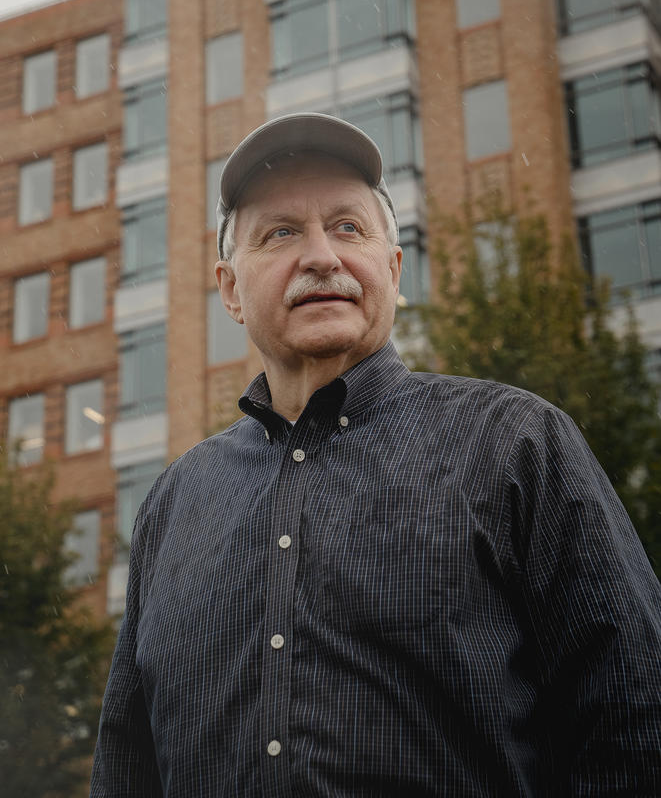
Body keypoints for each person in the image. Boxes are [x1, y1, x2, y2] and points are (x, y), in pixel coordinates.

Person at [91, 113, 661, 797]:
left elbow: (635, 718)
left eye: (348, 228)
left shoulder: (516, 443)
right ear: (231, 290)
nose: (321, 256)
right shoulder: (173, 504)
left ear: (392, 270)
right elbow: (127, 769)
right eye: (279, 233)